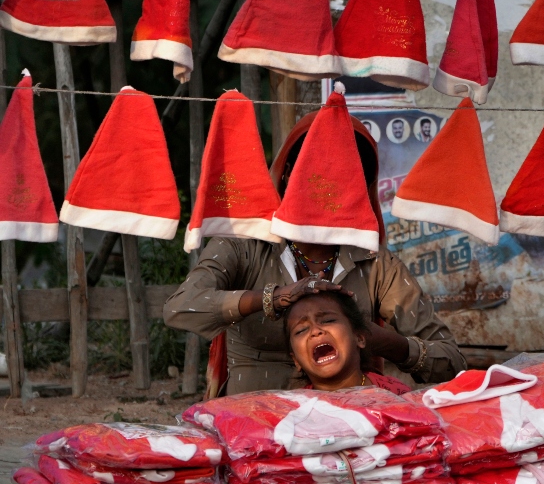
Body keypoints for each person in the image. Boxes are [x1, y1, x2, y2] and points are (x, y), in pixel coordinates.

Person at [164, 111, 467, 397]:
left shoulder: (376, 265)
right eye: (315, 178)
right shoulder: (244, 244)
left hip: (347, 425)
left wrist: (386, 342)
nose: (329, 192)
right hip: (255, 422)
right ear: (286, 179)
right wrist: (269, 298)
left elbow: (453, 361)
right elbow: (180, 307)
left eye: (344, 179)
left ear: (361, 188)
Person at [286, 290, 411, 394]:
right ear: (296, 360)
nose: (315, 331)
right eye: (301, 330)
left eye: (328, 320)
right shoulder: (291, 410)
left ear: (359, 338)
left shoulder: (395, 394)